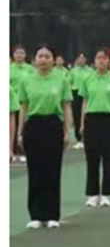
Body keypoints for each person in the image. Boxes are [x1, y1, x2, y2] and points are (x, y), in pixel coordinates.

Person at [17, 45, 73, 228]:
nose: (43, 60)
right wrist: (19, 132)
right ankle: (36, 215)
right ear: (35, 59)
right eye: (40, 56)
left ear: (54, 60)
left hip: (53, 125)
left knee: (52, 170)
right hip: (33, 126)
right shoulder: (26, 80)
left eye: (47, 56)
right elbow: (23, 107)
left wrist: (67, 131)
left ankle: (52, 215)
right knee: (35, 171)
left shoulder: (61, 79)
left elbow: (66, 107)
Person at [80, 47, 110, 208]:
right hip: (91, 119)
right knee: (92, 158)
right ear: (94, 60)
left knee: (108, 157)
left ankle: (106, 193)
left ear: (109, 61)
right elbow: (85, 101)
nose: (101, 61)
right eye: (98, 58)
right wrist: (82, 123)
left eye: (104, 58)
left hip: (108, 119)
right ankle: (92, 194)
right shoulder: (88, 78)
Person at [69, 52, 93, 148]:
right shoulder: (73, 71)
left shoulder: (90, 71)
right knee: (77, 116)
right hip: (76, 93)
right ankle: (78, 138)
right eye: (79, 58)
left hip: (87, 93)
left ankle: (87, 137)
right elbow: (69, 82)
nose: (81, 60)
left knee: (86, 115)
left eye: (83, 58)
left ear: (86, 60)